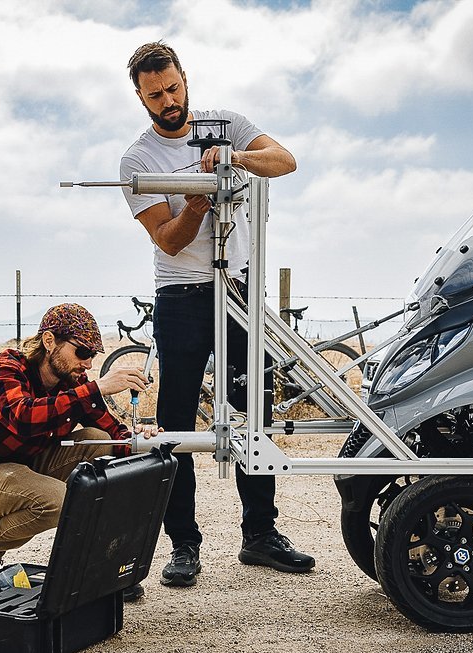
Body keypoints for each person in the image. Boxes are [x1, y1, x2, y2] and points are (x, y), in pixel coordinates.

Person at [119, 41, 315, 587]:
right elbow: (168, 241)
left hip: (241, 290)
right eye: (155, 95)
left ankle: (260, 535)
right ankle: (183, 545)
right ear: (140, 98)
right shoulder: (137, 160)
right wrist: (201, 199)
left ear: (186, 79)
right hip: (183, 298)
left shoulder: (226, 123)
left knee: (254, 409)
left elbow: (284, 161)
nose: (168, 101)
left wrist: (233, 160)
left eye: (174, 88)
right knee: (177, 423)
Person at [0, 303, 159, 592]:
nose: (88, 363)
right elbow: (23, 417)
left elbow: (112, 433)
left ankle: (101, 565)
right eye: (82, 352)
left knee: (97, 440)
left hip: (22, 468)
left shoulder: (72, 381)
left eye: (92, 355)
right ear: (49, 341)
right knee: (58, 500)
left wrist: (140, 438)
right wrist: (97, 387)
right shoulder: (5, 369)